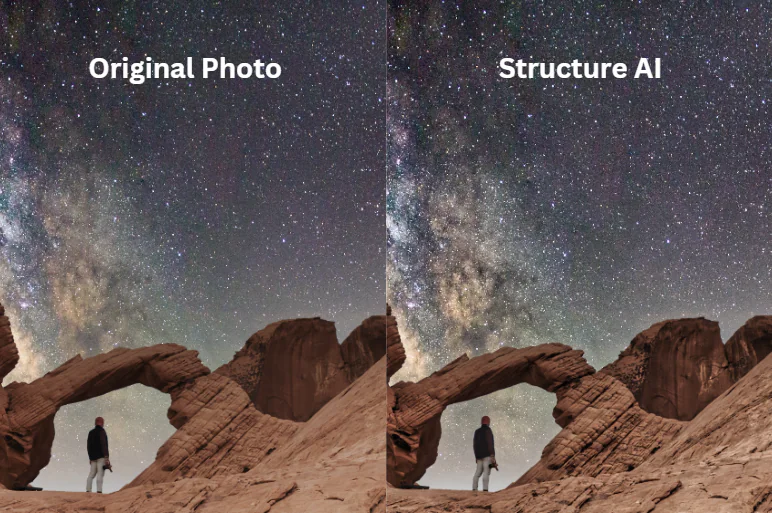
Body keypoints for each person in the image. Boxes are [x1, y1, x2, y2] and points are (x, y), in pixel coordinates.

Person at [86, 417, 110, 493]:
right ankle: (99, 491)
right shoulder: (102, 432)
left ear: (95, 423)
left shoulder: (91, 432)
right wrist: (106, 457)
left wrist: (90, 457)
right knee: (100, 474)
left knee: (91, 474)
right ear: (102, 423)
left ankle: (88, 490)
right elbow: (104, 445)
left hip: (93, 457)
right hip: (101, 457)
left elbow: (88, 446)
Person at [472, 415, 496, 492]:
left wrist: (476, 456)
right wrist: (492, 455)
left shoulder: (477, 431)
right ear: (488, 422)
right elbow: (490, 444)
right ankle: (485, 489)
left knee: (477, 473)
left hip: (479, 456)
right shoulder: (488, 430)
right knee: (486, 472)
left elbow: (475, 444)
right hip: (487, 456)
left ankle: (474, 488)